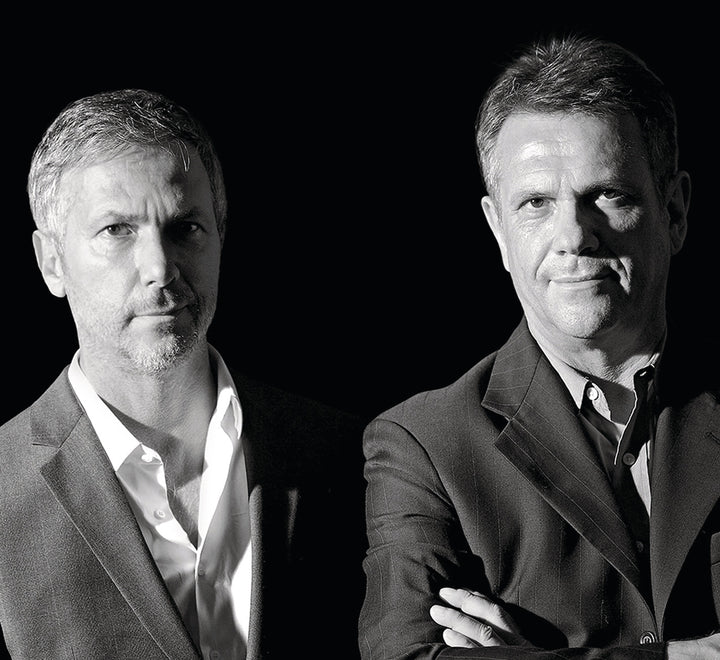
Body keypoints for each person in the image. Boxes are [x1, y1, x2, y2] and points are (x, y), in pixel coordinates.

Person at [359, 34, 719, 659]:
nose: (574, 235)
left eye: (608, 194)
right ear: (498, 230)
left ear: (675, 210)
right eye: (536, 203)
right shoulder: (425, 445)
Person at [0, 88, 367, 660]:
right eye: (117, 230)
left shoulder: (349, 458)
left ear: (221, 236)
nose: (160, 267)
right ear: (51, 261)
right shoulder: (4, 493)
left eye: (185, 227)